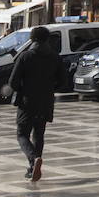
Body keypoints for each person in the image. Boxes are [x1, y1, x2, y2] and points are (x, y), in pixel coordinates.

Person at [7, 26, 65, 182]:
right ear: (47, 39)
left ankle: (34, 159)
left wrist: (23, 90)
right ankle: (33, 168)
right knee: (39, 134)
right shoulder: (55, 57)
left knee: (22, 134)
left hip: (27, 102)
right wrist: (49, 89)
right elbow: (63, 81)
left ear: (32, 39)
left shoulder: (25, 56)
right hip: (46, 101)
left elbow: (13, 82)